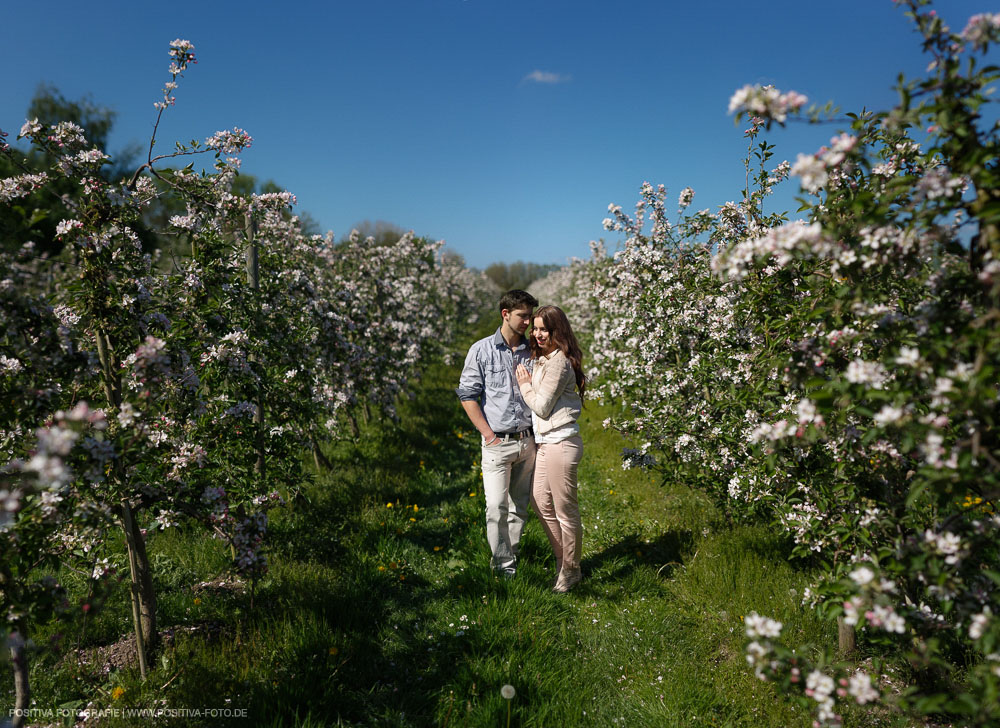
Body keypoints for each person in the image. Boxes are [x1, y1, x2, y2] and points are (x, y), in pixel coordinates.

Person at [456, 289, 539, 577]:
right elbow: (468, 395)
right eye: (523, 316)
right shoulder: (481, 350)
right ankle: (502, 567)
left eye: (530, 316)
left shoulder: (534, 351)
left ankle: (510, 559)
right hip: (497, 443)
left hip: (528, 441)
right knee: (495, 507)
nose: (528, 322)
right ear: (506, 314)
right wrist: (489, 436)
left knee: (520, 508)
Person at [514, 305, 585, 593]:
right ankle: (563, 561)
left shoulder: (560, 362)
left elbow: (542, 407)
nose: (538, 334)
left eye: (545, 329)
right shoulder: (543, 358)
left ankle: (571, 570)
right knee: (539, 501)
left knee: (565, 510)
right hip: (546, 443)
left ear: (558, 331)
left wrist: (525, 386)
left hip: (561, 441)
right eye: (537, 329)